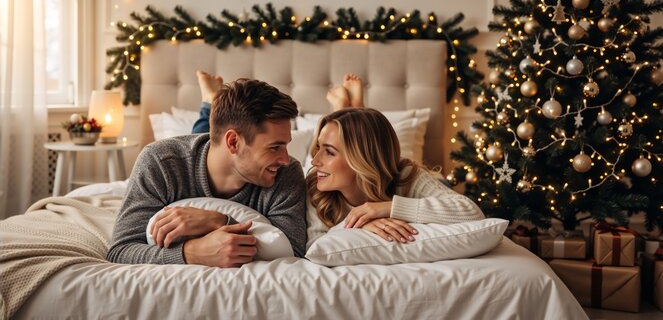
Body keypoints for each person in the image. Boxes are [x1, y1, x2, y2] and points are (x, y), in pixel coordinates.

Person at [191, 71, 485, 250]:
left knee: (366, 133)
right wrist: (357, 227)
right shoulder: (316, 190)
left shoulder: (406, 175)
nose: (314, 160)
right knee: (203, 138)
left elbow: (469, 212)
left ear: (360, 159)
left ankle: (352, 109)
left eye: (328, 151)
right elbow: (314, 247)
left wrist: (384, 207)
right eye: (317, 148)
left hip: (384, 175)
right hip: (221, 135)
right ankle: (210, 101)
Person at [106, 77, 307, 268]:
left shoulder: (286, 173)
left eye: (286, 146)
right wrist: (192, 253)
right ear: (233, 142)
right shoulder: (160, 163)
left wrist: (217, 221)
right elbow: (121, 251)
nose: (285, 159)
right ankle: (208, 99)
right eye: (274, 147)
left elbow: (293, 252)